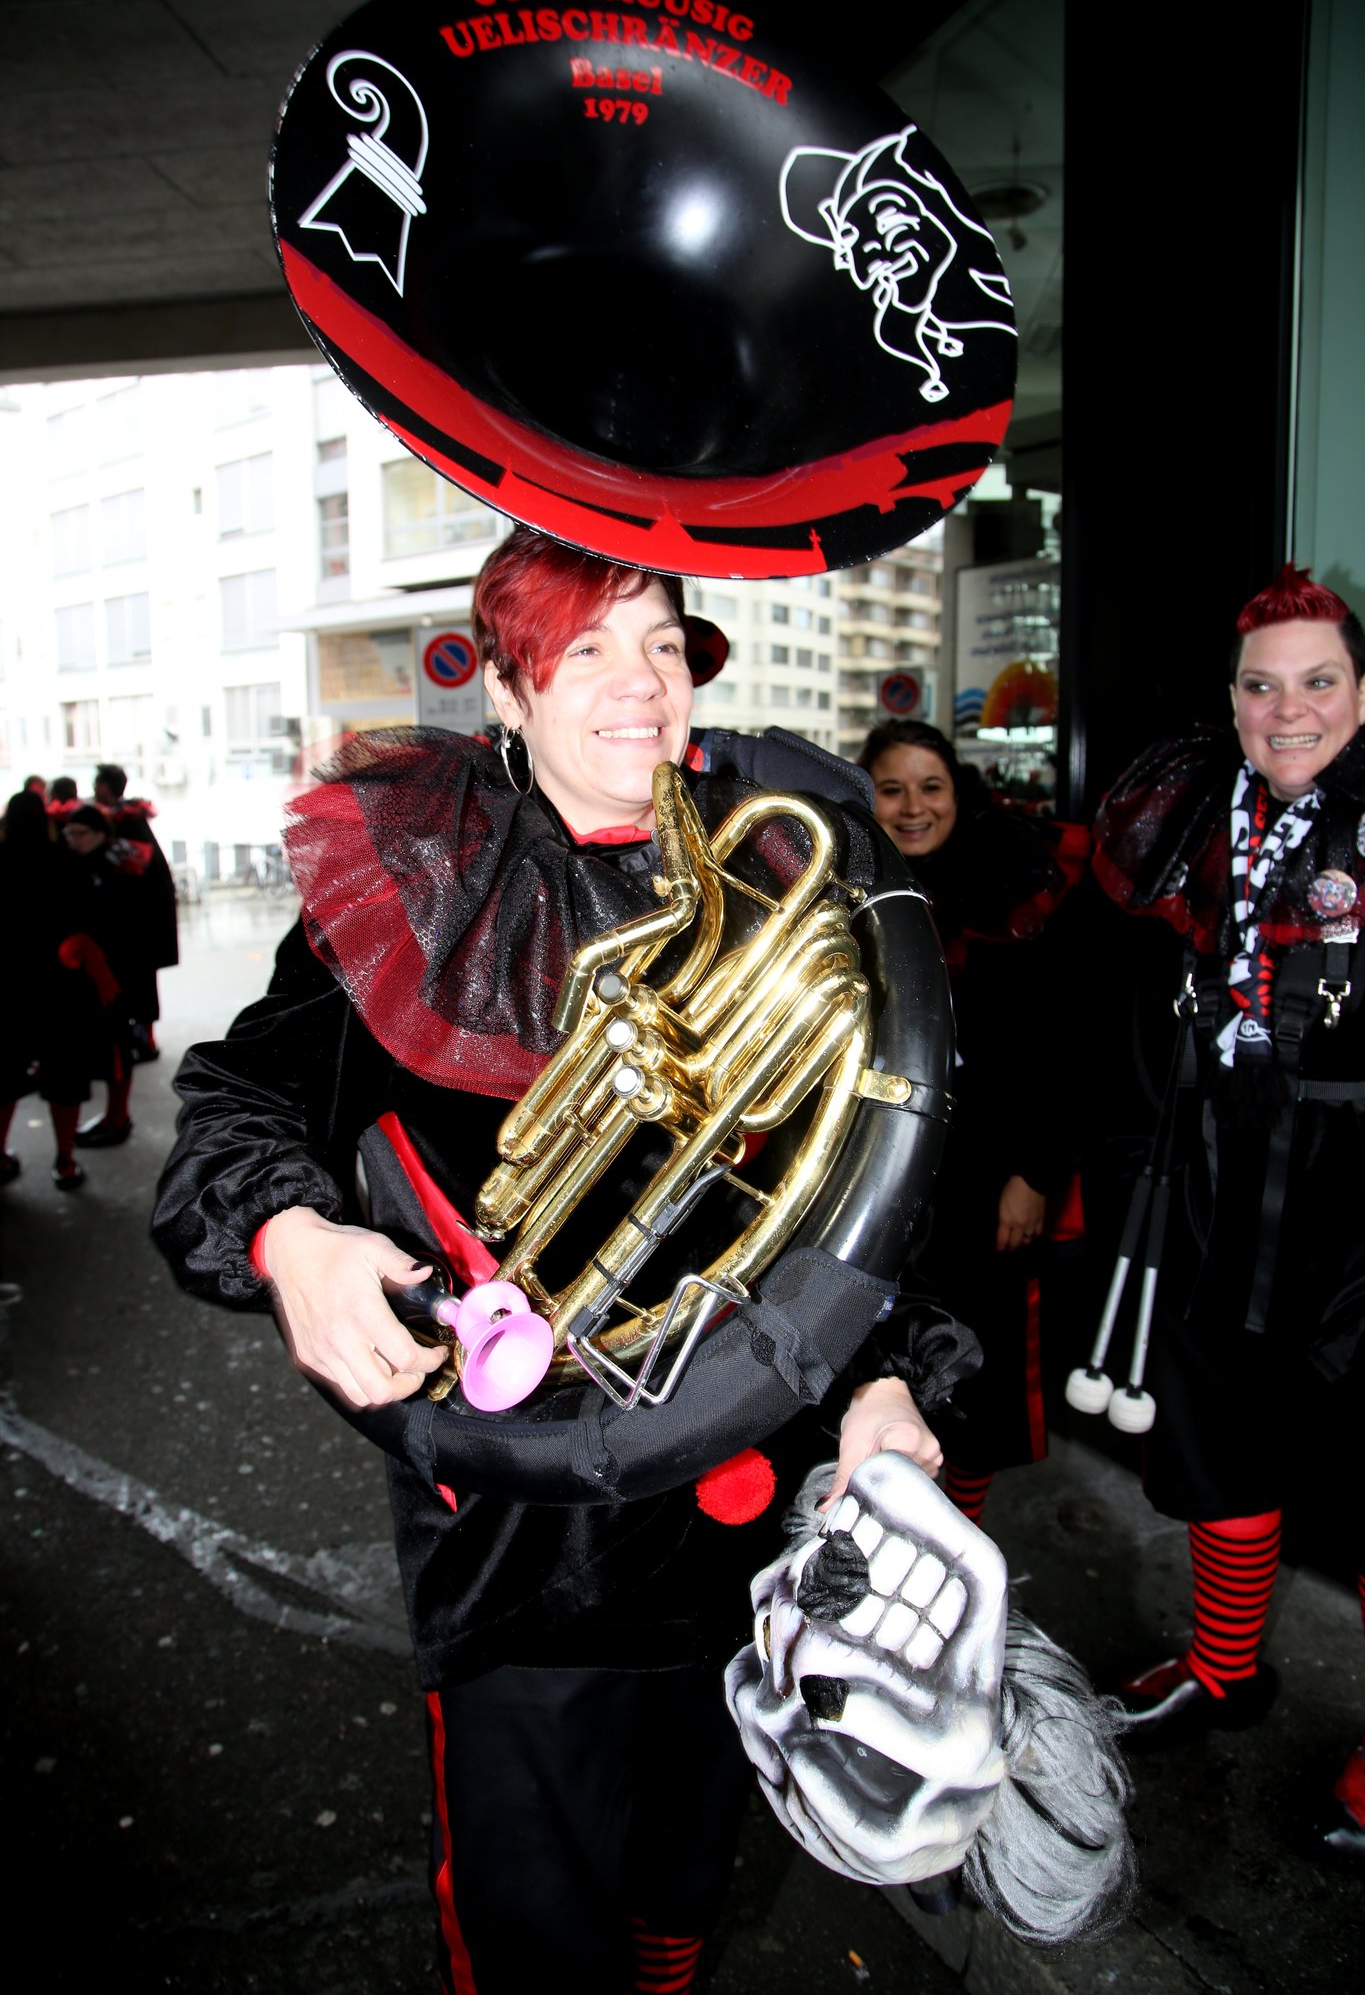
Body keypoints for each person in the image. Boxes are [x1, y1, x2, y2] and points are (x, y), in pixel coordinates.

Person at [152, 528, 977, 1993]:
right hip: (524, 1537)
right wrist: (294, 1234)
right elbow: (236, 1096)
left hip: (756, 1503)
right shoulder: (431, 876)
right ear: (508, 690)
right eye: (585, 649)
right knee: (537, 1917)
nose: (639, 683)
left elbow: (884, 1177)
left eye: (661, 643)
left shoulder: (782, 869)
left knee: (689, 1863)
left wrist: (890, 1380)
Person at [1092, 564, 1365, 1846]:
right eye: (1264, 685)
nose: (1289, 708)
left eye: (1318, 681)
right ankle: (1222, 1668)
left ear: (1362, 694)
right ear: (1234, 700)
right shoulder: (1202, 808)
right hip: (1220, 1172)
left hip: (1359, 1195)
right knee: (1217, 1432)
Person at [858, 719, 1079, 1527]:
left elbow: (1060, 1048)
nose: (913, 807)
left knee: (975, 1376)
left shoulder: (1010, 888)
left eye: (931, 787)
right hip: (876, 1171)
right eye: (891, 789)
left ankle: (955, 1534)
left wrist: (1033, 1175)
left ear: (960, 792)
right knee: (875, 1360)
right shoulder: (841, 886)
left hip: (986, 1176)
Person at [0, 789, 108, 1190]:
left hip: (8, 991)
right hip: (61, 989)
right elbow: (91, 921)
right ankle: (65, 1161)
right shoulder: (66, 862)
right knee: (64, 1077)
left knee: (4, 1075)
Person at [60, 805, 142, 1146]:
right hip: (102, 974)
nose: (73, 840)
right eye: (69, 834)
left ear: (99, 834)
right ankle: (115, 1115)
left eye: (80, 833)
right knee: (113, 1046)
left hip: (113, 974)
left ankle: (117, 1118)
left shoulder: (113, 866)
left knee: (116, 1048)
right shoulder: (99, 861)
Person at [93, 761, 178, 1061]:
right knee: (136, 983)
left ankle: (145, 1041)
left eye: (96, 783)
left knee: (140, 984)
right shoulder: (126, 816)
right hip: (135, 922)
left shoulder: (127, 820)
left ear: (106, 786)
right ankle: (139, 1038)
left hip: (137, 923)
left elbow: (135, 868)